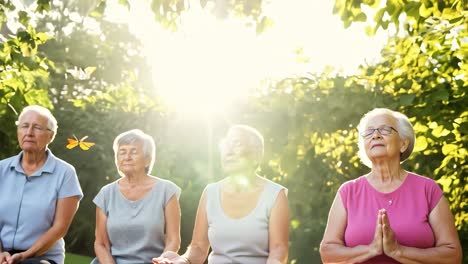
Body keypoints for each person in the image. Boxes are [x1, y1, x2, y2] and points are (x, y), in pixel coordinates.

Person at [320, 108, 462, 263]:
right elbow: (328, 253)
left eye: (385, 129)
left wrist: (398, 251)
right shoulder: (348, 192)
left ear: (403, 144)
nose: (376, 135)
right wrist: (371, 249)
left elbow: (452, 256)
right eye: (369, 132)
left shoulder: (428, 190)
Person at [153, 125, 289, 264]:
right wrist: (183, 260)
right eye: (226, 145)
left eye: (236, 144)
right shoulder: (210, 192)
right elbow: (198, 248)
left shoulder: (275, 195)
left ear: (256, 155)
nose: (228, 151)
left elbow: (278, 251)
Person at [0, 105, 83, 264]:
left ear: (50, 136)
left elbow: (59, 228)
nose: (29, 132)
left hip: (41, 258)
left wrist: (25, 255)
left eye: (37, 127)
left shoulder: (65, 173)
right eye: (24, 126)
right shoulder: (1, 169)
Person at [92, 129, 181, 264]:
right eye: (122, 152)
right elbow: (101, 244)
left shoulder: (166, 190)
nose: (127, 157)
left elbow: (173, 240)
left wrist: (162, 261)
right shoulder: (106, 193)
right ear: (117, 160)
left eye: (133, 152)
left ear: (147, 160)